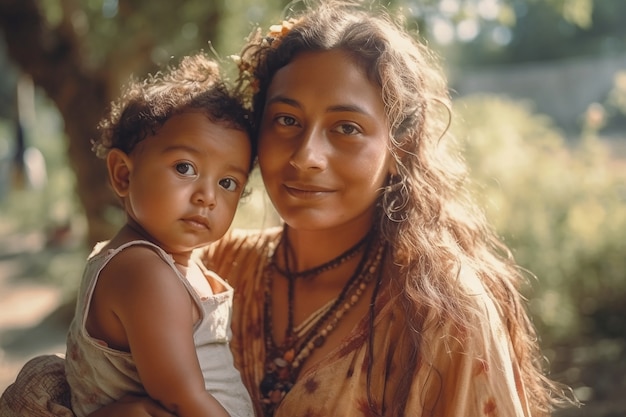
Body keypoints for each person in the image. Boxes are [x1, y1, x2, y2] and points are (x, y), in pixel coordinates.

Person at [0, 1, 574, 416]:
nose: (307, 155)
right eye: (286, 121)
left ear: (398, 152)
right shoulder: (206, 265)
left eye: (346, 128)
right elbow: (82, 374)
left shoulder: (441, 312)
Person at [63, 53, 254, 417]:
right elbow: (181, 398)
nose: (207, 196)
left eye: (228, 182)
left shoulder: (160, 263)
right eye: (185, 167)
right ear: (123, 174)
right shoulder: (144, 272)